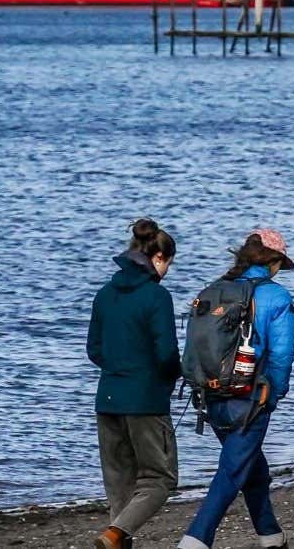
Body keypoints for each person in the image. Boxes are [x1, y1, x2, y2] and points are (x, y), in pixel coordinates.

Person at [180, 230, 294, 549]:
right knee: (233, 470)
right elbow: (282, 355)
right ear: (273, 262)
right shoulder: (277, 297)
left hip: (211, 395)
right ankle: (195, 540)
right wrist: (274, 395)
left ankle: (271, 535)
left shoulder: (214, 290)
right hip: (251, 398)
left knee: (251, 466)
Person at [90, 219, 181, 549]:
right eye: (169, 262)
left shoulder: (104, 294)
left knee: (120, 488)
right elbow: (167, 353)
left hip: (108, 398)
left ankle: (116, 538)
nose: (168, 269)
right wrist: (169, 377)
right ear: (158, 257)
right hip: (146, 400)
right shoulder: (157, 297)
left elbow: (94, 350)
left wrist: (120, 369)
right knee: (160, 479)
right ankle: (114, 535)